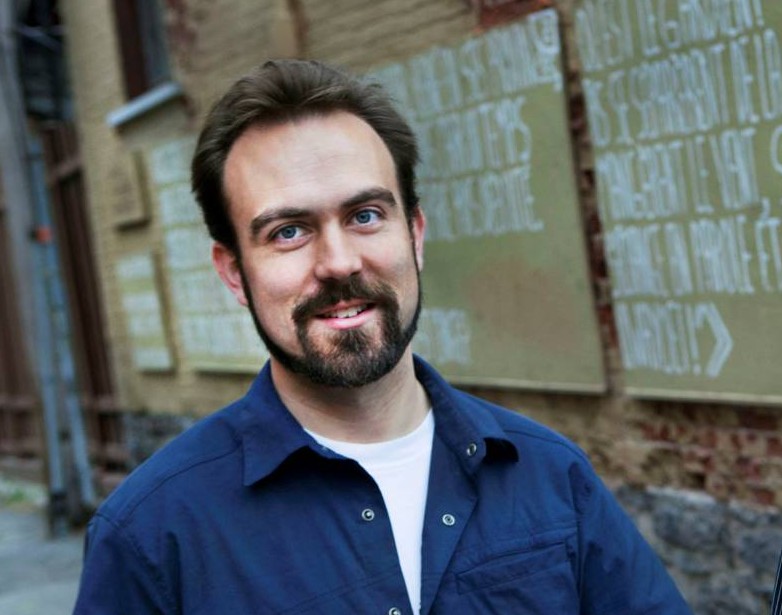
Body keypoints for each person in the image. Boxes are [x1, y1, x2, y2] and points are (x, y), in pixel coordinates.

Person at [73, 59, 691, 614]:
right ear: (234, 271)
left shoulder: (550, 475)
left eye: (365, 216)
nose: (339, 262)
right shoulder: (153, 534)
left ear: (414, 235)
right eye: (288, 231)